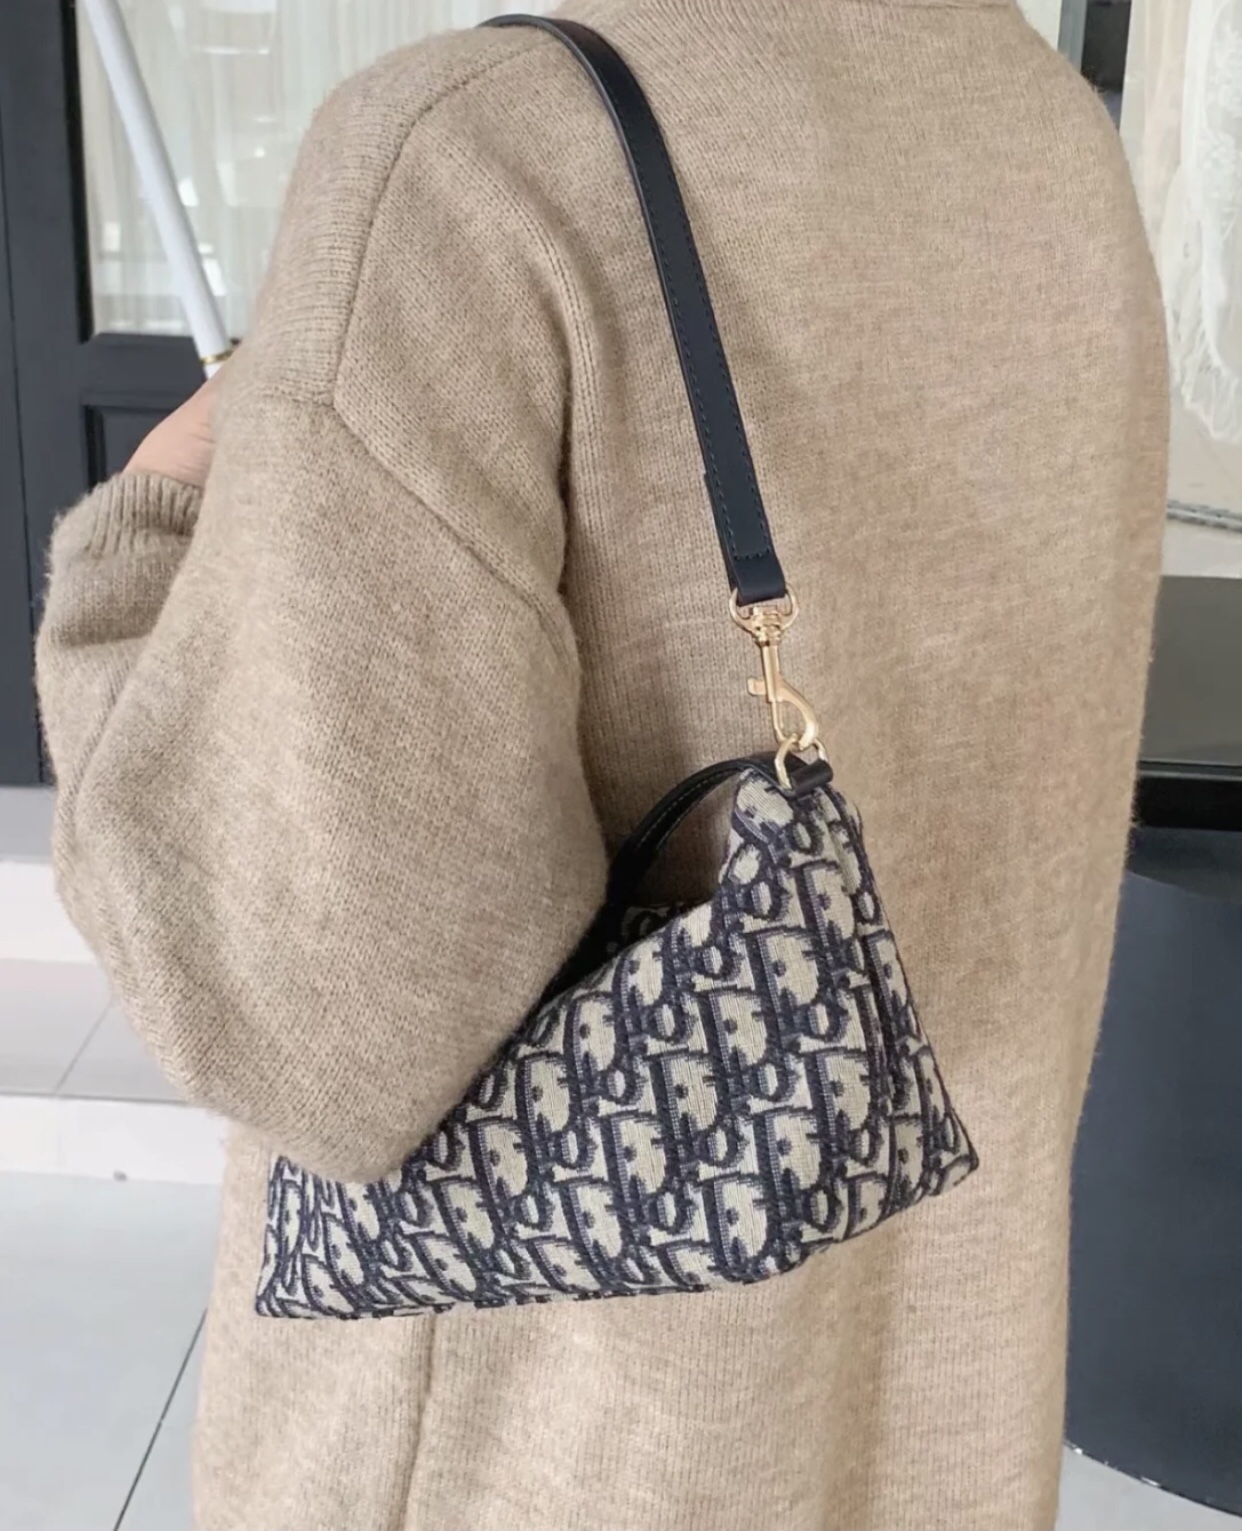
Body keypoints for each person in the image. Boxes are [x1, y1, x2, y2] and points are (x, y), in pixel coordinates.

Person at [35, 2, 1169, 1528]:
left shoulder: (470, 150)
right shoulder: (1027, 109)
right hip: (930, 1361)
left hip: (554, 1430)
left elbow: (311, 1022)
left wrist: (147, 539)